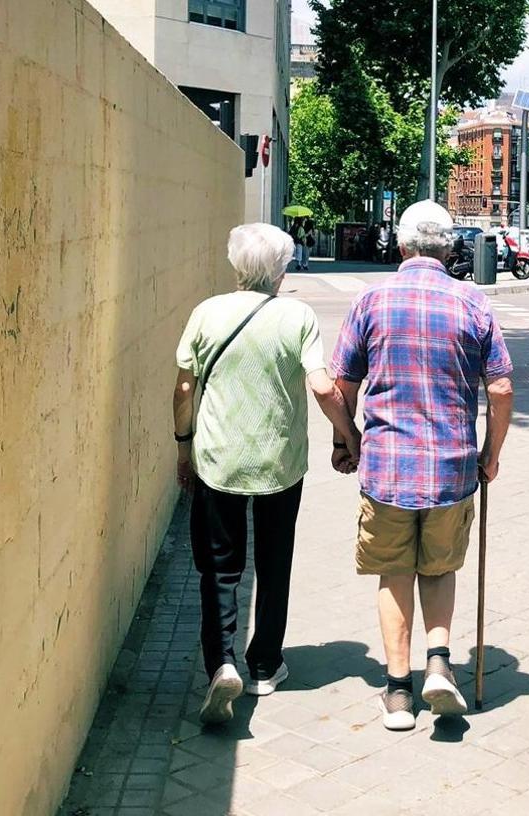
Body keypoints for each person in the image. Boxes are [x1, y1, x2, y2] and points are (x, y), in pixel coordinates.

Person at [330, 200, 515, 731]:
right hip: (453, 467)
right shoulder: (472, 302)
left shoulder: (371, 300)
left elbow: (342, 384)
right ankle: (438, 660)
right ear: (450, 247)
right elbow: (500, 387)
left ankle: (397, 693)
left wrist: (346, 441)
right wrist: (490, 454)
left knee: (394, 572)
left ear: (403, 245)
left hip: (386, 467)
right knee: (439, 568)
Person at [173, 223, 361, 724]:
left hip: (217, 459)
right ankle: (263, 664)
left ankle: (221, 664)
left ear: (237, 265)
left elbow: (186, 389)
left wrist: (183, 445)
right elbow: (322, 387)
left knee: (219, 567)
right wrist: (349, 434)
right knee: (274, 561)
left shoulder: (207, 312)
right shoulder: (297, 315)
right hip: (280, 461)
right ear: (281, 270)